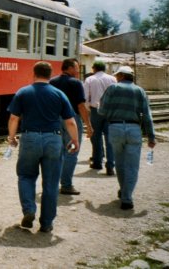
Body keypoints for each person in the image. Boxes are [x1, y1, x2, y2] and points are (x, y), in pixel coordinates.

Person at [7, 61, 79, 234]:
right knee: (51, 183)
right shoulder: (59, 94)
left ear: (34, 73)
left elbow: (14, 119)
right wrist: (75, 140)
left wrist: (11, 138)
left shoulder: (23, 92)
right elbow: (70, 121)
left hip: (30, 137)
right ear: (50, 74)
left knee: (25, 176)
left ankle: (29, 209)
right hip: (53, 139)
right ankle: (46, 223)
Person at [98, 65, 156, 210]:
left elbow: (101, 110)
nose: (116, 78)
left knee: (120, 163)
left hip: (115, 128)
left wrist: (112, 112)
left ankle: (124, 192)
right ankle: (127, 197)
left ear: (122, 76)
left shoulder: (112, 88)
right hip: (134, 129)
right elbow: (147, 115)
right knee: (132, 166)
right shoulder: (140, 91)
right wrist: (151, 136)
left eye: (117, 75)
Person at [50, 58, 92, 195]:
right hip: (71, 120)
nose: (78, 71)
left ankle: (52, 184)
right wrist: (89, 126)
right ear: (68, 68)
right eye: (76, 68)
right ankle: (66, 185)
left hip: (55, 120)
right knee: (72, 151)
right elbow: (81, 106)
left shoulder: (52, 82)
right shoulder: (76, 83)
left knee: (58, 152)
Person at [84, 60, 117, 175]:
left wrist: (89, 108)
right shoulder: (113, 79)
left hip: (95, 111)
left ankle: (97, 162)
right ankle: (110, 165)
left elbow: (85, 97)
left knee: (95, 136)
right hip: (109, 111)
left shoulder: (90, 79)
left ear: (94, 68)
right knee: (110, 138)